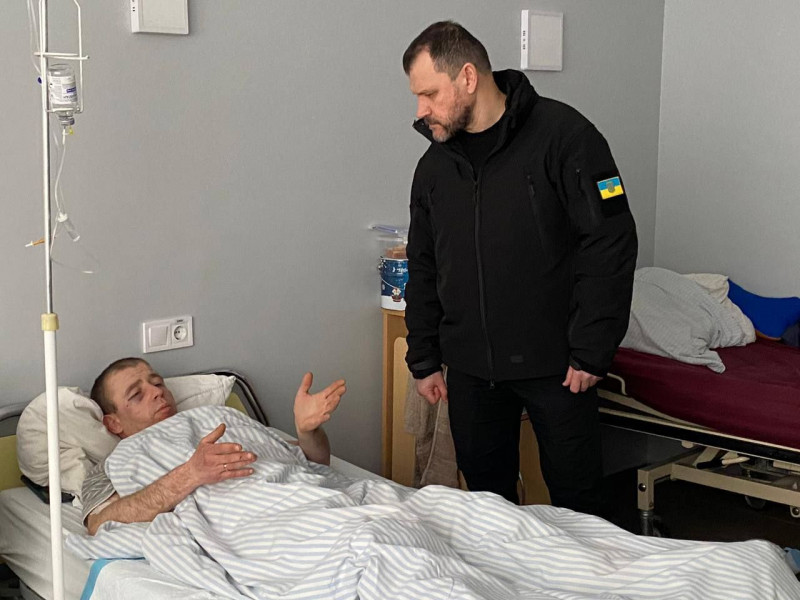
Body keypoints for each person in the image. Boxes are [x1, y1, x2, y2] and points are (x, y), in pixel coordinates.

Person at [402, 21, 638, 515]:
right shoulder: (434, 167)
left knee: (580, 506)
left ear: (468, 77)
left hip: (559, 368)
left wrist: (592, 349)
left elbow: (610, 242)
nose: (420, 110)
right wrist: (423, 356)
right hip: (470, 371)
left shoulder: (567, 138)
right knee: (488, 510)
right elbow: (423, 264)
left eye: (429, 94)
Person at [81, 357, 346, 535]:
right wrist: (190, 474)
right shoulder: (114, 464)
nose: (157, 392)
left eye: (158, 383)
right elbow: (99, 523)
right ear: (113, 423)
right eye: (137, 395)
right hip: (257, 525)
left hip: (315, 499)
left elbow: (315, 462)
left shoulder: (220, 416)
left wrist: (307, 431)